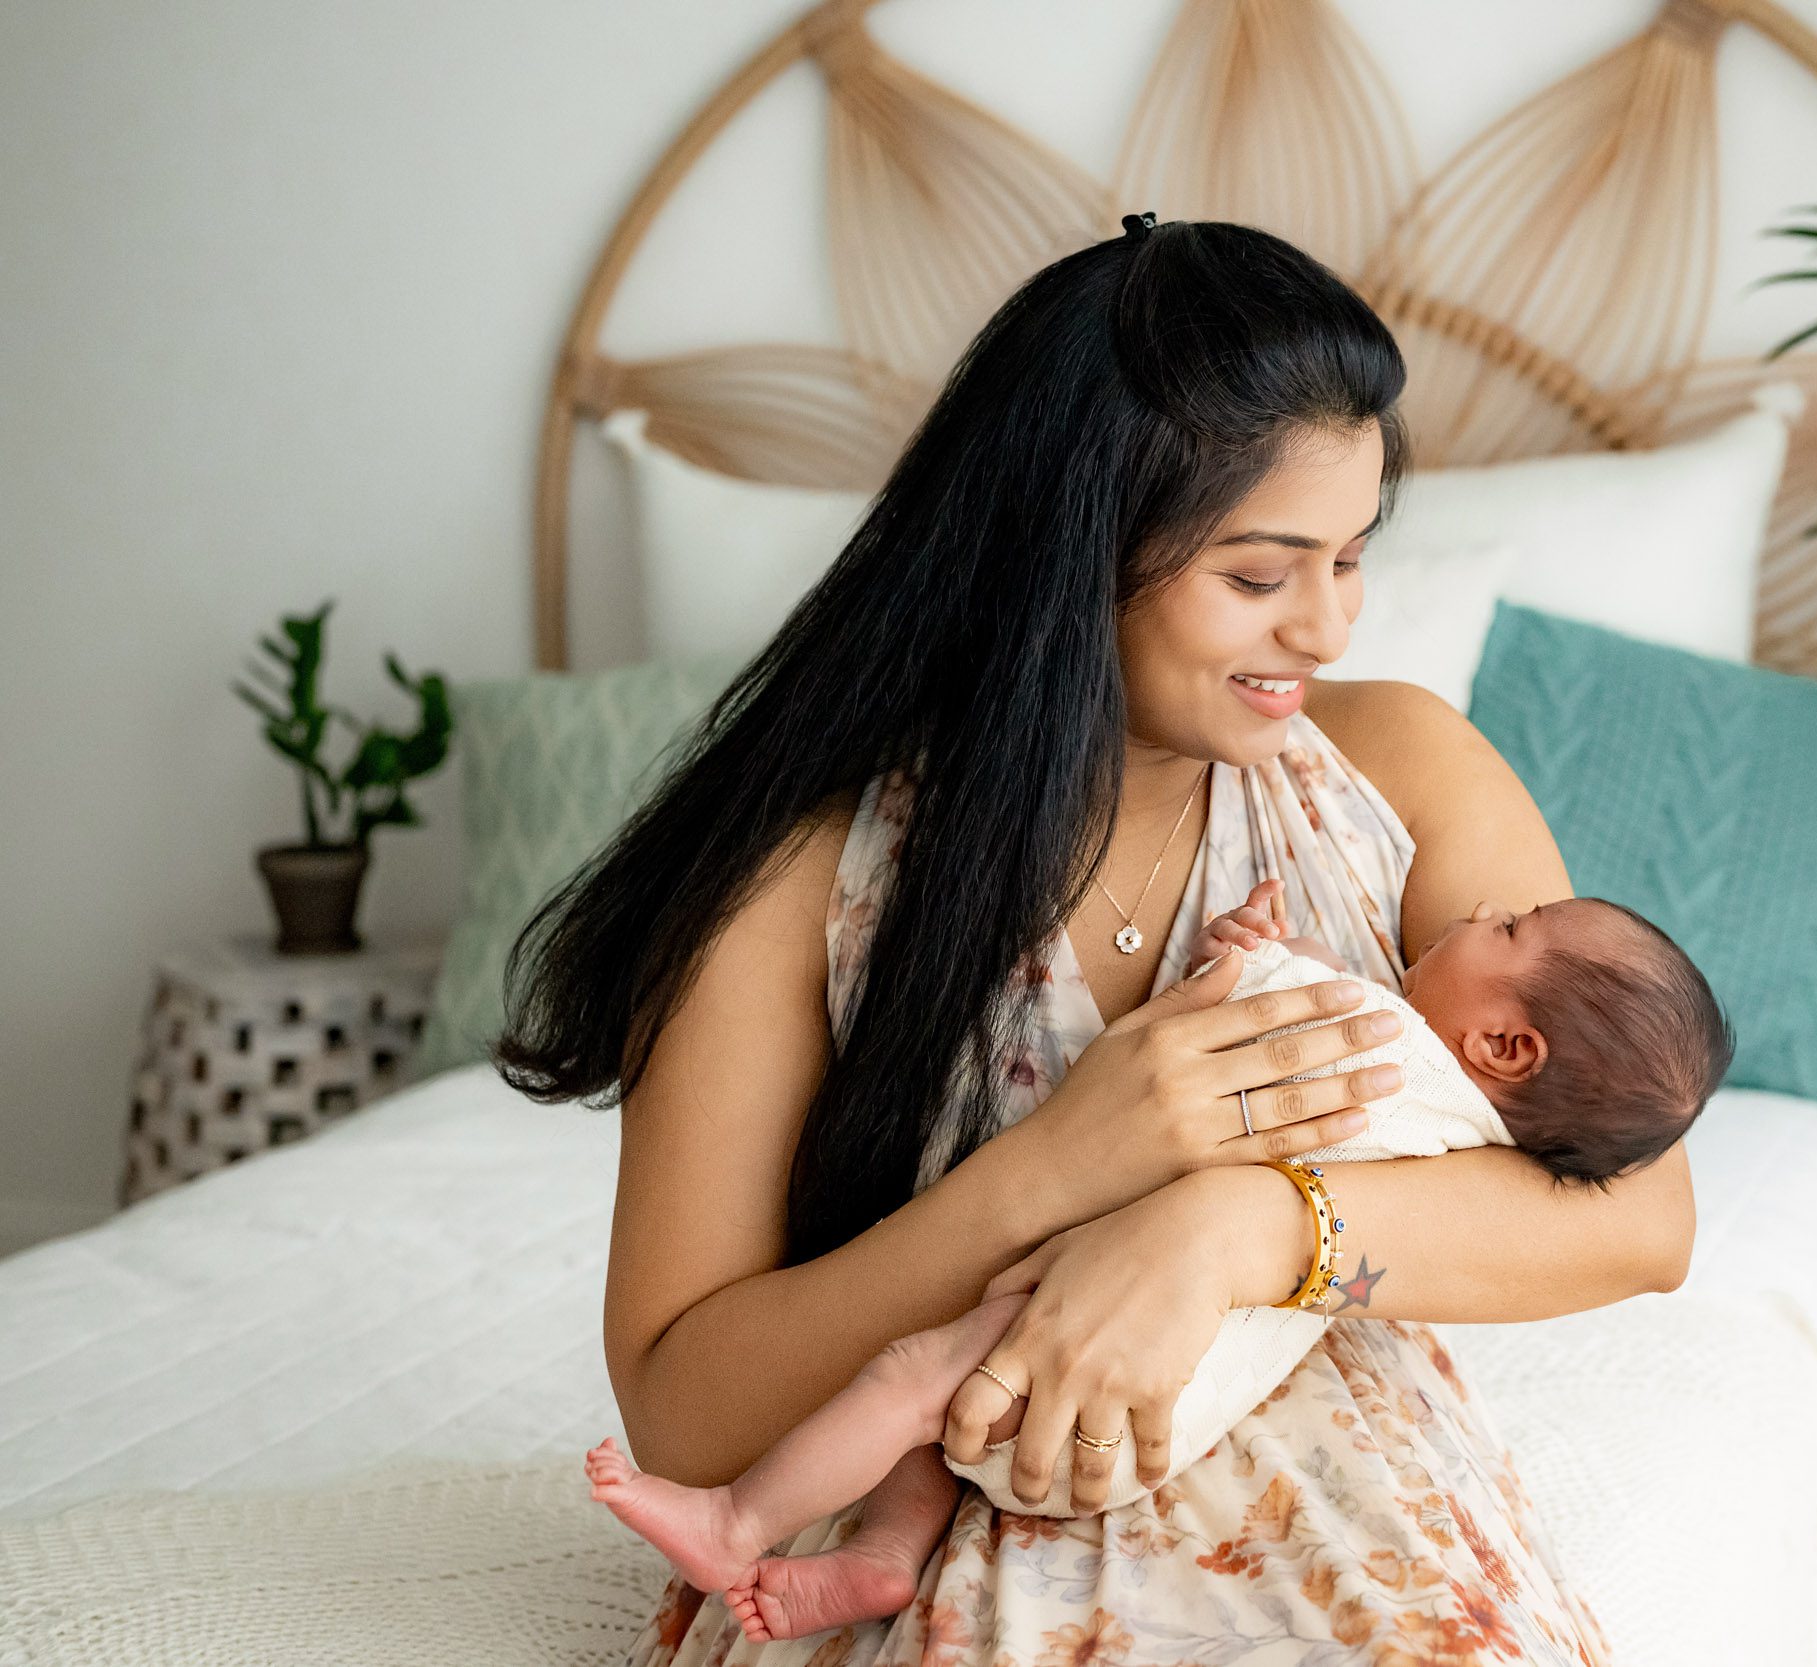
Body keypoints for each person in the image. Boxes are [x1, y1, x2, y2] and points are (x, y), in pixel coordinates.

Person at [494, 210, 1697, 1665]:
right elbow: (681, 1411)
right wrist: (1057, 1169)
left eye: (1350, 557)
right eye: (1259, 575)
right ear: (1073, 554)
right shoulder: (800, 879)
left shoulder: (1404, 771)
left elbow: (1641, 1219)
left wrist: (1232, 1230)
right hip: (933, 1522)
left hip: (1352, 1525)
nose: (1327, 627)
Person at [578, 879, 1732, 1643]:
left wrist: (1251, 951)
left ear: (1506, 1043)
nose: (1482, 908)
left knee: (910, 1376)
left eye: (1511, 927)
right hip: (1170, 1413)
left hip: (1117, 1368)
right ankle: (885, 1552)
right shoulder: (1464, 1134)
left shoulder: (1382, 1044)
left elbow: (1259, 1012)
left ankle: (738, 1521)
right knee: (938, 1420)